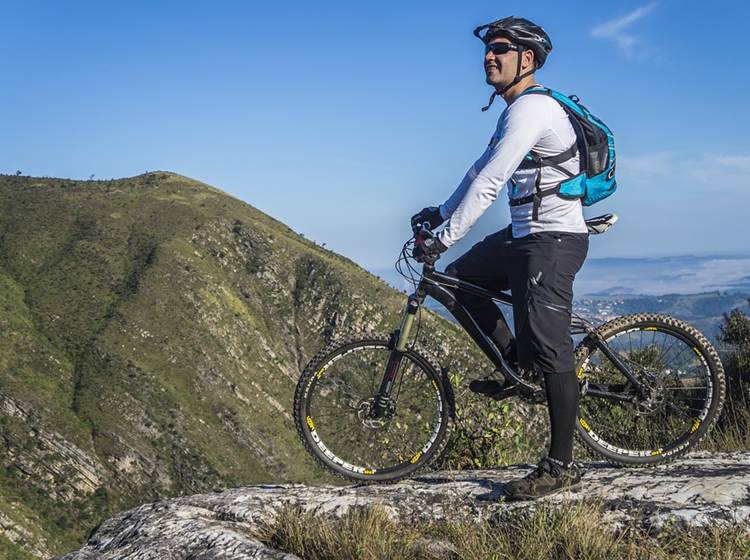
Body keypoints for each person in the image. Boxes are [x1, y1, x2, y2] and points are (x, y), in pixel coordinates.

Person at [411, 16, 589, 500]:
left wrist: (443, 236)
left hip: (552, 240)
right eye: (488, 49)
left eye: (501, 49)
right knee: (457, 282)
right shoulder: (513, 111)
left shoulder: (532, 110)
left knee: (553, 347)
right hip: (524, 235)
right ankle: (518, 365)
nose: (489, 56)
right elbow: (478, 171)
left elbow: (491, 183)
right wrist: (440, 211)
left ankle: (560, 465)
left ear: (525, 60)